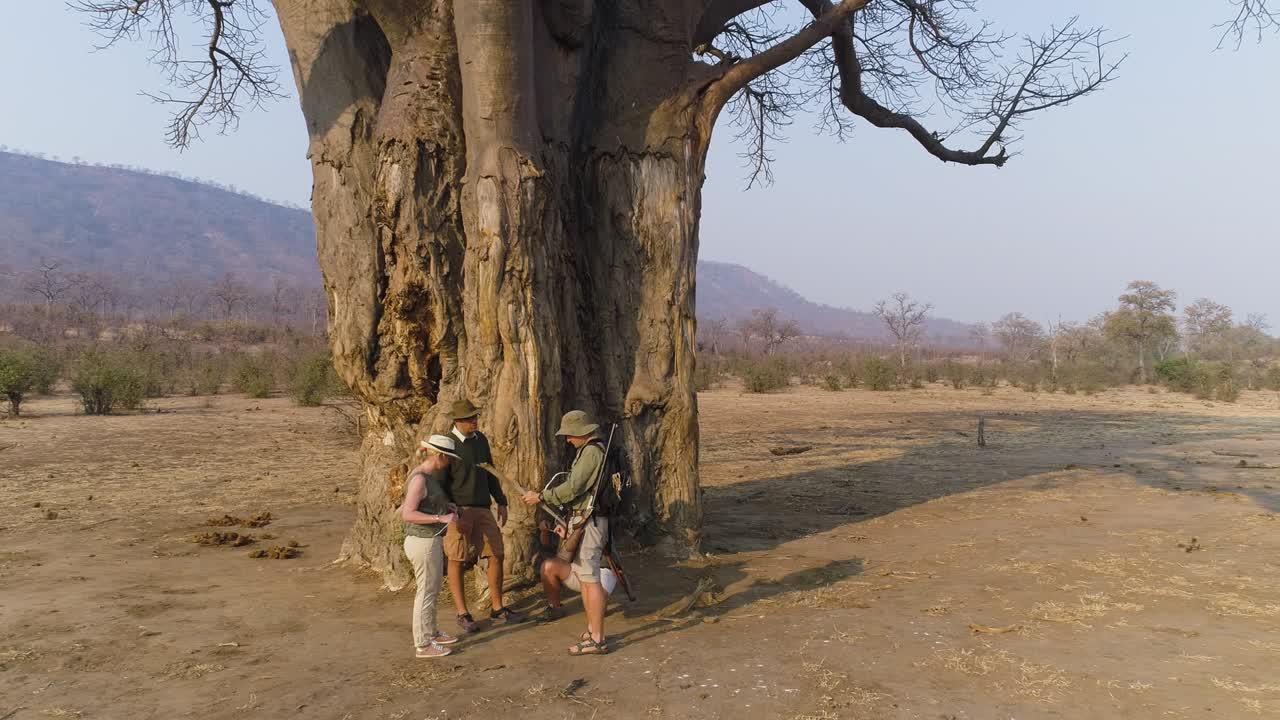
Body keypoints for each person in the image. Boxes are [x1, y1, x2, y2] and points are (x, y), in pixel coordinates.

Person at [522, 409, 610, 656]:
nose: (568, 440)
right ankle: (593, 631)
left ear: (583, 432)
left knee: (589, 579)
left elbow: (574, 488)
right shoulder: (591, 450)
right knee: (585, 576)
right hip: (587, 520)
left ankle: (597, 638)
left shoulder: (592, 452)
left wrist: (542, 496)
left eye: (571, 435)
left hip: (591, 522)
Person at [441, 399, 526, 632]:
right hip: (457, 511)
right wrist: (452, 511)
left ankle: (498, 609)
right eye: (469, 418)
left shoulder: (481, 441)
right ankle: (462, 613)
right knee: (456, 559)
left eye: (475, 417)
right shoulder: (447, 444)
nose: (474, 421)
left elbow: (490, 472)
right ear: (457, 421)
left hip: (482, 507)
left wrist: (501, 500)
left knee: (496, 553)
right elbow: (440, 482)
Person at [399, 435, 461, 659]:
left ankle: (431, 632)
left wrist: (446, 507)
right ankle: (423, 644)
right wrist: (439, 518)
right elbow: (408, 513)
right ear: (440, 455)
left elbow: (425, 504)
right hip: (422, 541)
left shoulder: (428, 476)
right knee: (425, 592)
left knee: (432, 589)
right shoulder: (419, 479)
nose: (450, 462)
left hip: (429, 540)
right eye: (449, 458)